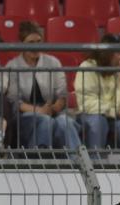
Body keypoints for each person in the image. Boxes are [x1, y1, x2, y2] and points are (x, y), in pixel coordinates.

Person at [5, 20, 80, 150]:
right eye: (31, 43)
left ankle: (77, 162)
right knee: (44, 120)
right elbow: (14, 100)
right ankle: (39, 161)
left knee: (64, 123)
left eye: (39, 42)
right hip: (25, 115)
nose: (36, 46)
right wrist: (40, 111)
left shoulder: (53, 62)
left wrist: (55, 107)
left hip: (54, 111)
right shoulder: (13, 66)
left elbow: (62, 93)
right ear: (21, 44)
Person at [74, 33, 120, 158]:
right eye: (119, 52)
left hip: (116, 117)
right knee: (98, 121)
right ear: (106, 54)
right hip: (90, 115)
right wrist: (118, 112)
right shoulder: (87, 67)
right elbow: (89, 104)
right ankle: (95, 165)